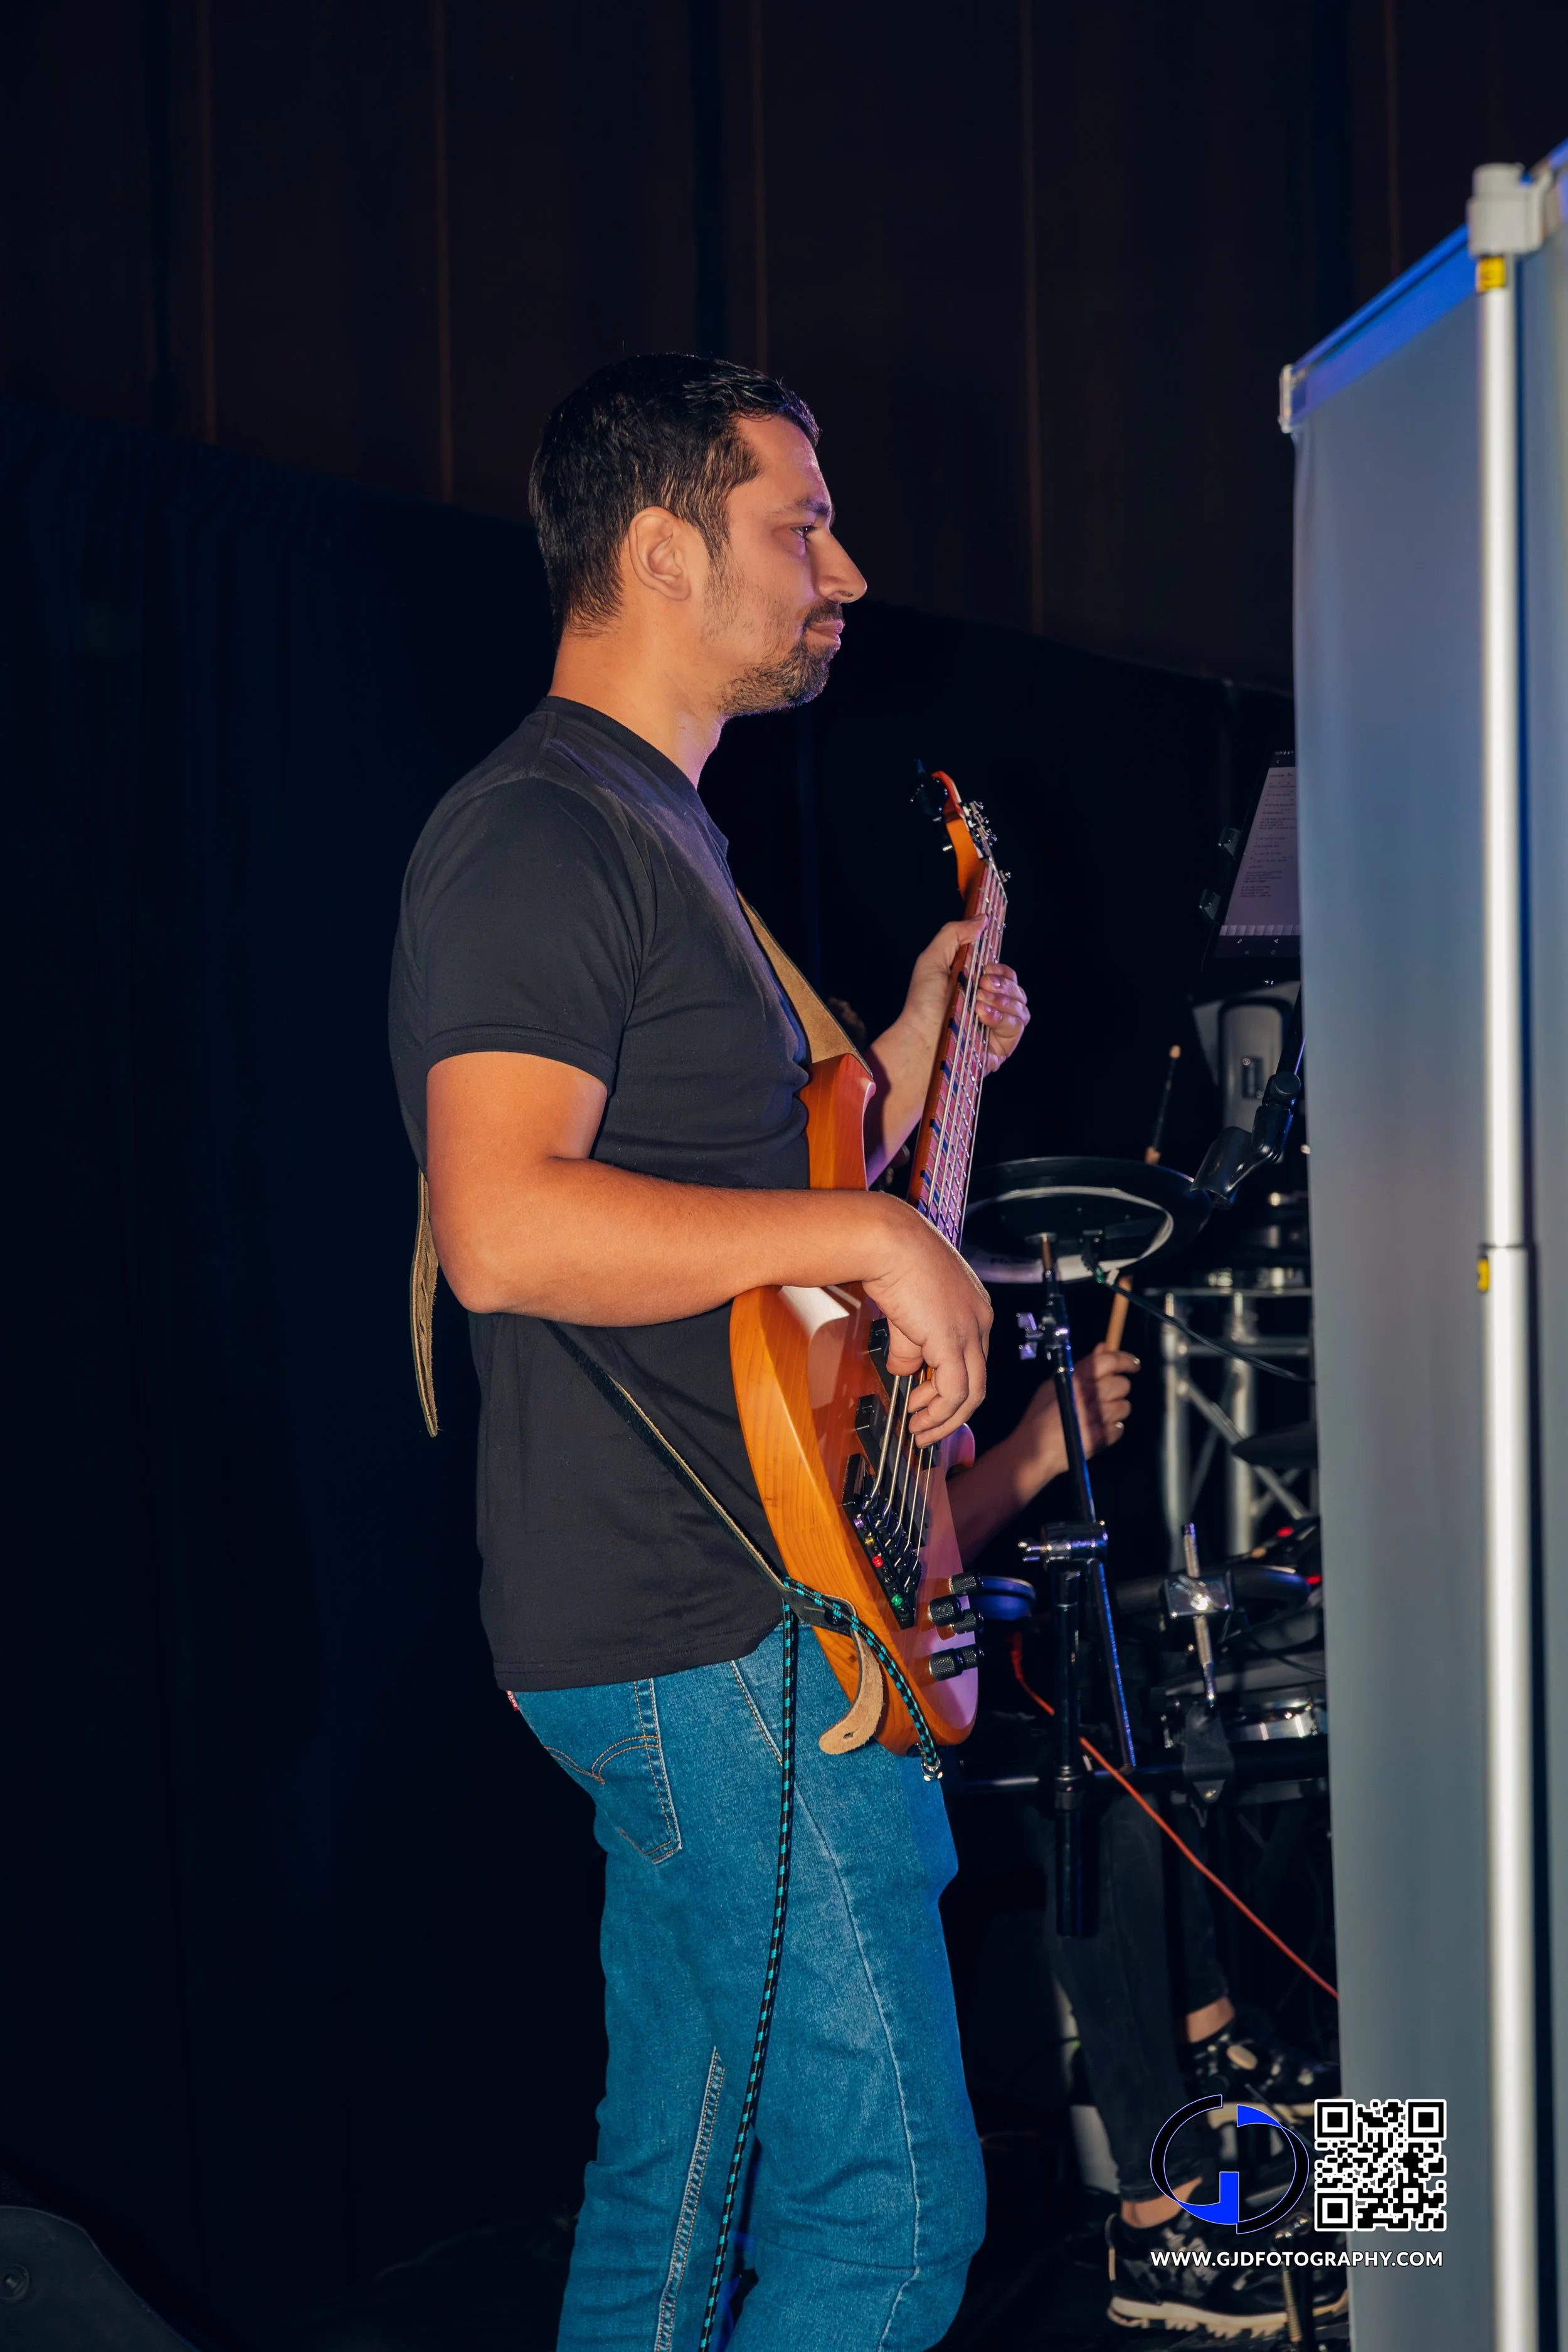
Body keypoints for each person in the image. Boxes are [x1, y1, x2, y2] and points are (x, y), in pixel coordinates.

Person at [389, 354, 1032, 2352]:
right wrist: (861, 1227)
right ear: (663, 549)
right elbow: (504, 1226)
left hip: (701, 1617)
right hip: (710, 1626)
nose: (842, 568)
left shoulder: (662, 843)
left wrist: (921, 1050)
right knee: (892, 2215)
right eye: (797, 524)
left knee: (671, 2196)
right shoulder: (537, 832)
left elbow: (746, 1204)